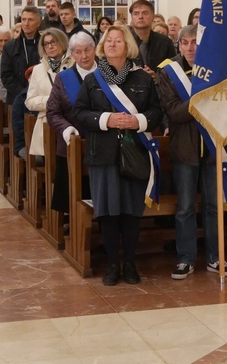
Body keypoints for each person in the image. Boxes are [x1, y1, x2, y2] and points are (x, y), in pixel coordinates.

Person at [74, 24, 163, 286]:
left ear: (128, 47)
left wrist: (138, 122)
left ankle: (130, 263)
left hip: (135, 153)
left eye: (118, 41)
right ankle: (113, 264)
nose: (112, 44)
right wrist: (106, 119)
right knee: (108, 211)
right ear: (103, 46)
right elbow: (79, 113)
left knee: (130, 211)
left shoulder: (143, 79)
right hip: (102, 155)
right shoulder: (92, 80)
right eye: (109, 40)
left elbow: (156, 112)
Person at [158, 25, 227, 280]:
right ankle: (186, 258)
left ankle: (215, 257)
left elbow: (226, 107)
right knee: (186, 208)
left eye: (196, 43)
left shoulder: (218, 71)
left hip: (214, 147)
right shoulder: (169, 73)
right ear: (178, 46)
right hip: (185, 149)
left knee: (215, 206)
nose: (191, 48)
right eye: (186, 43)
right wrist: (202, 97)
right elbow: (174, 112)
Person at [47, 32, 97, 215]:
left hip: (102, 145)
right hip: (71, 143)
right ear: (72, 54)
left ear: (95, 49)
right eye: (78, 52)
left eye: (87, 50)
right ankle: (72, 219)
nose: (83, 56)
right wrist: (66, 128)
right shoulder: (64, 78)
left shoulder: (107, 74)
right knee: (70, 194)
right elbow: (52, 112)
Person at [25, 28, 74, 157]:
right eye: (46, 44)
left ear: (62, 42)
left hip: (72, 121)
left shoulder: (74, 65)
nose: (50, 46)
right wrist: (52, 101)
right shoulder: (38, 70)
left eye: (53, 42)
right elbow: (29, 101)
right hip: (47, 124)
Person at [0, 6, 41, 105]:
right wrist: (24, 93)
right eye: (24, 19)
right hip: (16, 98)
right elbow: (6, 75)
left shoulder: (45, 44)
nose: (26, 24)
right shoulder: (10, 46)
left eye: (30, 20)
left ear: (38, 23)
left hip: (40, 98)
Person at [128, 0, 176, 80]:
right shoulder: (124, 41)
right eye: (136, 14)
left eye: (145, 13)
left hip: (158, 89)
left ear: (153, 17)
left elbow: (174, 69)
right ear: (132, 18)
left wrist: (157, 76)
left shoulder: (165, 42)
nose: (140, 17)